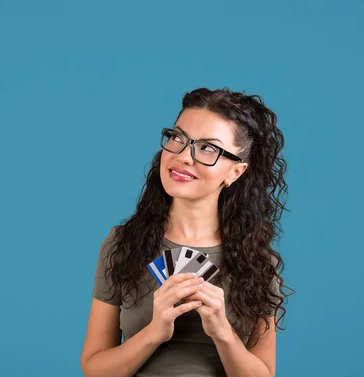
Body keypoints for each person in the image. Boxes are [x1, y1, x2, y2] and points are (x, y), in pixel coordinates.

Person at [80, 88, 293, 377]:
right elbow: (94, 369)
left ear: (236, 172)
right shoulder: (123, 243)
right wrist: (154, 332)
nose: (183, 156)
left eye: (208, 148)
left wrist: (223, 333)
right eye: (178, 138)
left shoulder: (258, 263)